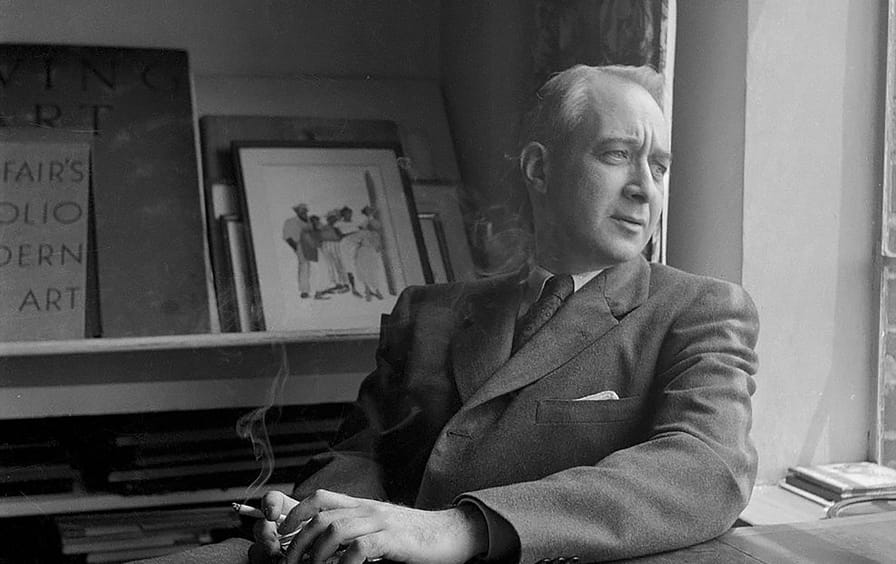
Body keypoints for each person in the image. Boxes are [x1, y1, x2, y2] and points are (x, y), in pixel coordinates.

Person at [136, 64, 758, 564]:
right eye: (618, 154)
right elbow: (360, 454)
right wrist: (321, 519)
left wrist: (456, 529)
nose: (645, 188)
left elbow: (706, 470)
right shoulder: (428, 311)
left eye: (659, 166)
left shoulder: (697, 309)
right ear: (539, 168)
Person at [282, 204, 314, 299]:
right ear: (297, 212)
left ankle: (316, 289)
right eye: (301, 211)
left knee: (313, 266)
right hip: (300, 244)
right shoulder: (291, 221)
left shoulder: (309, 221)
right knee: (304, 265)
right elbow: (287, 236)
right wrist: (296, 247)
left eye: (305, 211)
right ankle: (304, 291)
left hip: (311, 245)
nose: (304, 213)